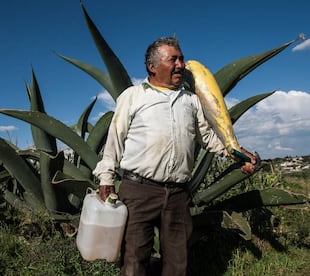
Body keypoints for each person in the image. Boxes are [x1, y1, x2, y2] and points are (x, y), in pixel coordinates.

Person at [93, 36, 257, 276]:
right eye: (174, 59)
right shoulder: (133, 96)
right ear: (153, 66)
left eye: (181, 58)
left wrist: (236, 154)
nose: (181, 64)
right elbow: (115, 139)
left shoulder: (190, 100)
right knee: (134, 260)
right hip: (139, 192)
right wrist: (106, 178)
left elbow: (208, 138)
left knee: (178, 263)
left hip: (178, 194)